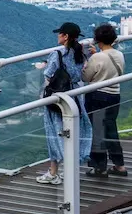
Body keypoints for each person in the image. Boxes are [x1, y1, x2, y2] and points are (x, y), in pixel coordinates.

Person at [36, 22, 93, 185]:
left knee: (55, 134)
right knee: (71, 132)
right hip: (74, 97)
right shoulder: (80, 52)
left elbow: (48, 75)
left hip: (57, 99)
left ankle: (55, 173)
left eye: (60, 33)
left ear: (65, 36)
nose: (57, 36)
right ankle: (61, 170)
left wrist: (46, 67)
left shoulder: (57, 53)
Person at [83, 23, 126, 178]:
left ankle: (100, 167)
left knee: (97, 131)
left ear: (97, 39)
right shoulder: (119, 54)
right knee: (111, 129)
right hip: (115, 95)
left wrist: (90, 59)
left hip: (97, 95)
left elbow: (86, 77)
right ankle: (119, 165)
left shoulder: (97, 57)